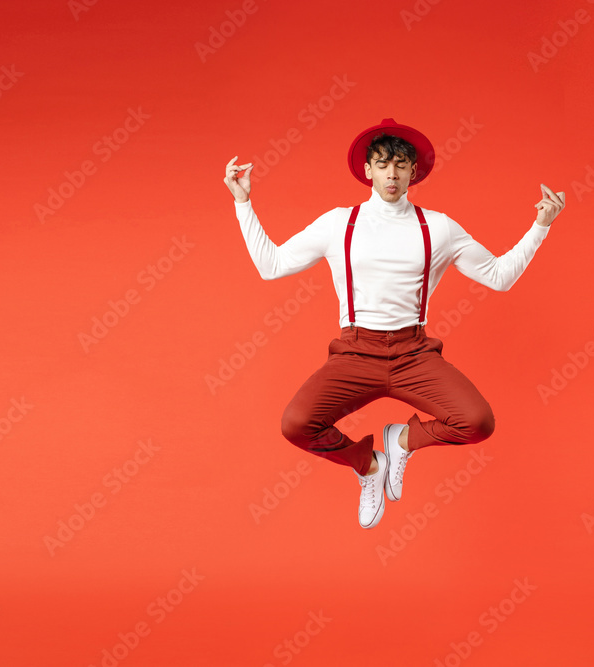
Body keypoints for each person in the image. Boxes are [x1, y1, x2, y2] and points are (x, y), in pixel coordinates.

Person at [224, 118, 564, 529]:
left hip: (414, 354)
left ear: (413, 173)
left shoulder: (438, 227)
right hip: (355, 352)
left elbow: (499, 276)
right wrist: (243, 203)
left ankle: (400, 442)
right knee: (296, 425)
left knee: (477, 422)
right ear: (367, 170)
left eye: (401, 165)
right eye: (383, 164)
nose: (392, 173)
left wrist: (540, 225)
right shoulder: (339, 223)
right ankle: (367, 464)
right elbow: (271, 265)